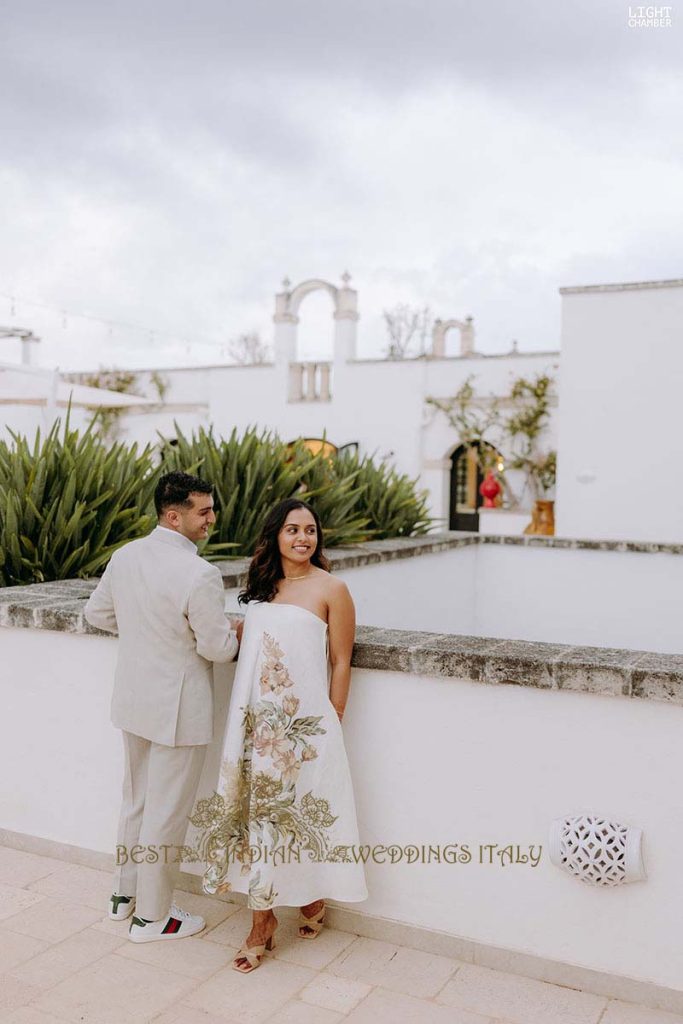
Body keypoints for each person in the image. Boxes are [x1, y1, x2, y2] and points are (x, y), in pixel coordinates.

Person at [197, 497, 367, 973]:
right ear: (275, 535)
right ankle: (266, 919)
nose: (302, 538)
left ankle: (296, 905)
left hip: (303, 730)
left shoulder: (332, 588)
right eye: (292, 529)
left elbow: (340, 660)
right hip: (254, 730)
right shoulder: (261, 589)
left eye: (310, 530)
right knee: (259, 821)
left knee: (294, 819)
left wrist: (334, 715)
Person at [84, 471, 240, 943]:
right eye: (203, 511)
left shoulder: (125, 555)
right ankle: (153, 919)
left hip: (133, 699)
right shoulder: (200, 573)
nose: (212, 518)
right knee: (166, 813)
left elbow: (97, 613)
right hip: (178, 709)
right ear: (174, 516)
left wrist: (147, 636)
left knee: (137, 800)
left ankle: (123, 896)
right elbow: (216, 649)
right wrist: (236, 632)